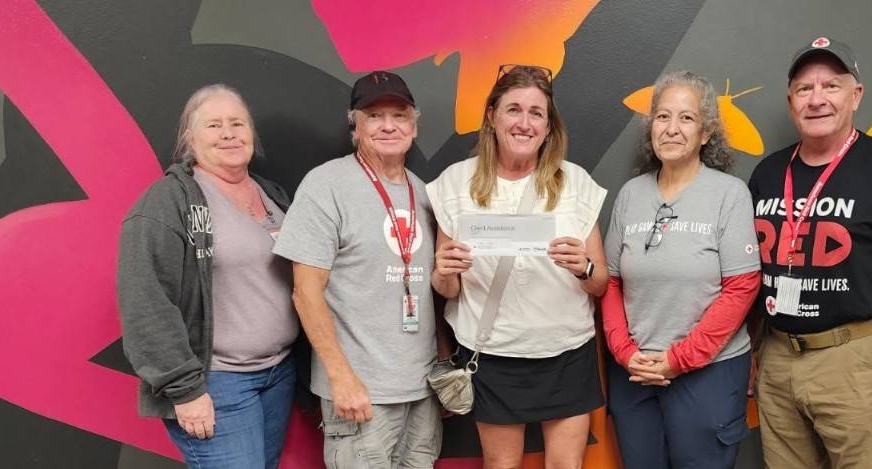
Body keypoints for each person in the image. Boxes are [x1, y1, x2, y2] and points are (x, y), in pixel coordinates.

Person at [747, 37, 872, 469]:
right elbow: (753, 271)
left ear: (855, 95)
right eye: (804, 89)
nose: (817, 99)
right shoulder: (767, 174)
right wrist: (752, 351)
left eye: (831, 86)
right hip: (778, 355)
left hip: (853, 358)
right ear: (790, 102)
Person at [427, 64, 608, 469]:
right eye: (513, 109)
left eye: (536, 113)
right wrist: (444, 271)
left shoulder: (574, 183)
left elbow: (600, 283)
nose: (524, 123)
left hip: (566, 351)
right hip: (490, 353)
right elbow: (448, 289)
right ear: (491, 116)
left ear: (548, 126)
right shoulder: (455, 184)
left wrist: (584, 267)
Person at [118, 84, 298, 468]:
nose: (229, 133)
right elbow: (145, 301)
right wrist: (184, 392)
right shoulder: (169, 202)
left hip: (277, 374)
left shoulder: (272, 195)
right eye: (214, 125)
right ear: (190, 138)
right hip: (217, 381)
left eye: (238, 123)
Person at [272, 71, 445, 468]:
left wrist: (440, 367)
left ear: (414, 125)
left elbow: (426, 291)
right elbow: (305, 291)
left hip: (421, 392)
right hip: (360, 394)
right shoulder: (326, 185)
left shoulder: (423, 191)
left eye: (399, 115)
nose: (388, 126)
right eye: (374, 115)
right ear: (355, 126)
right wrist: (341, 379)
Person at [600, 70, 761, 468]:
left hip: (708, 373)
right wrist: (624, 353)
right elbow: (611, 283)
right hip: (635, 375)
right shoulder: (631, 195)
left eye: (686, 118)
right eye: (662, 117)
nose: (672, 129)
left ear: (706, 133)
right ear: (651, 126)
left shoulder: (729, 194)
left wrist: (681, 358)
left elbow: (742, 287)